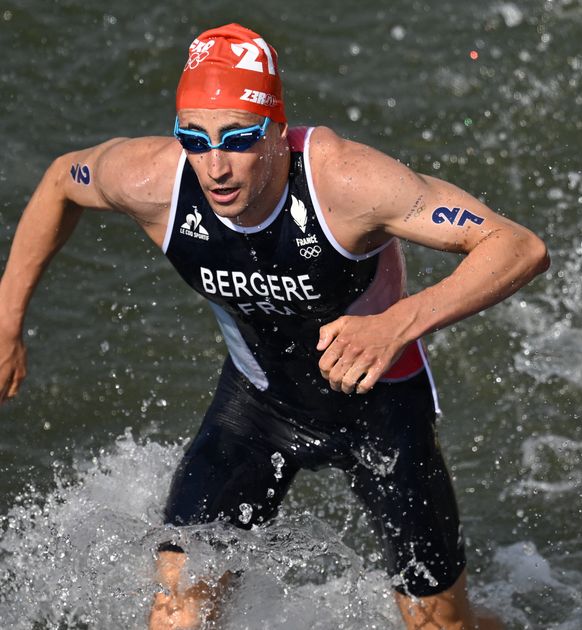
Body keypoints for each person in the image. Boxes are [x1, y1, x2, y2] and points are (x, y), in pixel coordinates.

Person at [0, 23, 549, 630]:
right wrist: (6, 320)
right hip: (257, 408)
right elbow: (60, 182)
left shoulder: (346, 182)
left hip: (381, 407)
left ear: (278, 133)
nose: (215, 167)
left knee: (442, 626)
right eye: (194, 139)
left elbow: (517, 246)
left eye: (237, 138)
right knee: (178, 613)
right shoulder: (151, 180)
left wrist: (398, 323)